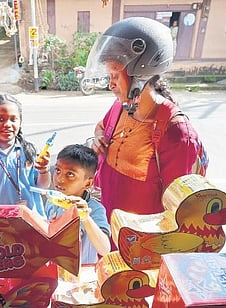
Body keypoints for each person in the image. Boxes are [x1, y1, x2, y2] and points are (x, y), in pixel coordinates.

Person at [87, 17, 205, 221]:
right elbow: (101, 127)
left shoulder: (177, 132)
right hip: (108, 226)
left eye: (115, 75)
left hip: (143, 243)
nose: (111, 85)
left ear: (139, 76)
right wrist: (98, 138)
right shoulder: (121, 107)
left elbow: (178, 210)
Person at [0, 93, 51, 216]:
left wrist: (44, 170)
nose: (7, 124)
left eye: (13, 119)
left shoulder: (30, 150)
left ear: (20, 122)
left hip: (32, 222)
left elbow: (42, 187)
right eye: (0, 119)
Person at [45, 144, 110, 264]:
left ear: (88, 183)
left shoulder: (94, 209)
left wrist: (85, 218)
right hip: (57, 270)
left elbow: (105, 249)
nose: (60, 179)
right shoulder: (52, 202)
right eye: (58, 170)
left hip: (83, 275)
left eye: (70, 174)